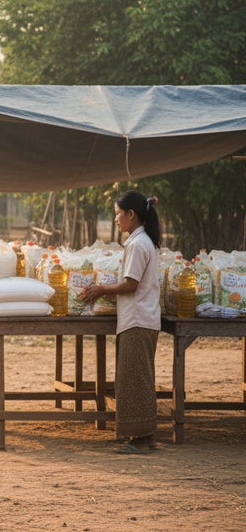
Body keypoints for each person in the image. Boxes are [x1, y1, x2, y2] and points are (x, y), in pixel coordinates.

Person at [82, 191, 161, 453]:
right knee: (142, 378)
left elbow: (131, 284)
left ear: (131, 214)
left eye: (118, 214)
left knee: (133, 380)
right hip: (142, 318)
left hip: (137, 320)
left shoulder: (138, 244)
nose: (116, 219)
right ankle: (147, 436)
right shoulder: (140, 241)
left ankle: (138, 438)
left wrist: (102, 290)